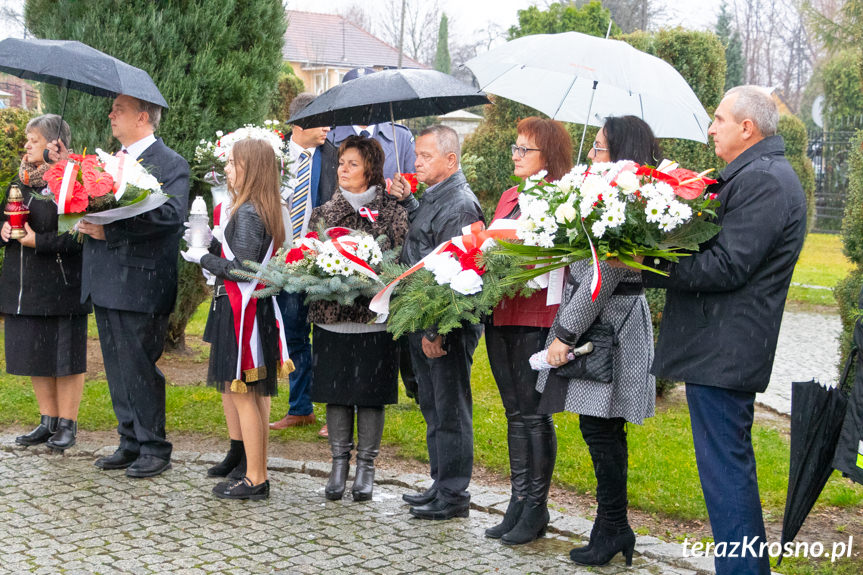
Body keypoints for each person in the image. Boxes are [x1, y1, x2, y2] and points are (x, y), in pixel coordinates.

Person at [638, 86, 806, 575]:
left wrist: (649, 262)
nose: (711, 129)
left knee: (727, 473)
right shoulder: (754, 174)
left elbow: (729, 265)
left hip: (725, 350)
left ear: (747, 128)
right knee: (723, 471)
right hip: (719, 347)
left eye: (718, 119)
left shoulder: (766, 181)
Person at [50, 94, 190, 478]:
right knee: (116, 367)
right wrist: (67, 173)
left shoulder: (170, 162)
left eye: (119, 110)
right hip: (105, 279)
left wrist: (110, 228)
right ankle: (129, 440)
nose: (110, 115)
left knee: (139, 366)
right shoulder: (108, 161)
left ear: (143, 117)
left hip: (141, 281)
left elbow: (170, 216)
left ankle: (154, 446)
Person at [542, 115, 659, 566]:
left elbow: (603, 275)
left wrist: (565, 334)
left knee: (603, 430)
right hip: (603, 321)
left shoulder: (629, 200)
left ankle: (613, 526)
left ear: (623, 152)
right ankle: (611, 525)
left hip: (611, 326)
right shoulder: (609, 193)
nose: (591, 154)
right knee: (601, 430)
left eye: (600, 147)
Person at [483, 117, 572, 545]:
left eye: (525, 150)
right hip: (502, 312)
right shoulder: (509, 197)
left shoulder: (564, 198)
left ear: (548, 157)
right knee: (514, 412)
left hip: (538, 317)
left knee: (535, 414)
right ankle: (518, 500)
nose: (515, 155)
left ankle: (536, 507)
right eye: (515, 147)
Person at [388, 125, 484, 520]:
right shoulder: (436, 196)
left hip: (443, 326)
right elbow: (429, 242)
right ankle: (440, 482)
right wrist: (410, 202)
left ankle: (454, 495)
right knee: (433, 406)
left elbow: (458, 275)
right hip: (421, 318)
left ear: (451, 160)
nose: (417, 162)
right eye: (417, 154)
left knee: (450, 410)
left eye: (426, 156)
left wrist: (436, 331)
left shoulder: (460, 204)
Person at [184, 138, 286, 500]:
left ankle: (255, 478)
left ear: (250, 168)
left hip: (241, 312)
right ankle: (256, 472)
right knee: (252, 395)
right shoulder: (263, 206)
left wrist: (202, 258)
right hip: (251, 312)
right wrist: (211, 244)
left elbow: (243, 271)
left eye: (231, 163)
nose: (226, 169)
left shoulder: (247, 212)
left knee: (245, 395)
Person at [308, 136, 408, 501]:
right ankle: (338, 464)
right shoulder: (322, 214)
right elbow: (307, 263)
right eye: (340, 163)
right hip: (331, 318)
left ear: (371, 169)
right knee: (336, 393)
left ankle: (366, 466)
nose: (342, 170)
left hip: (374, 321)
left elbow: (400, 264)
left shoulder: (393, 213)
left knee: (369, 394)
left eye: (352, 164)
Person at [317, 67, 419, 406]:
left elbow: (408, 186)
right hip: (338, 232)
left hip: (382, 237)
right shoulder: (333, 137)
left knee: (373, 382)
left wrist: (404, 193)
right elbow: (326, 185)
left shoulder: (399, 136)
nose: (344, 168)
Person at [1, 114, 89, 451]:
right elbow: (3, 219)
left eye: (33, 140)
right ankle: (47, 420)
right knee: (36, 353)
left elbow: (77, 237)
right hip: (24, 286)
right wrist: (4, 230)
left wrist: (39, 242)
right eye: (27, 139)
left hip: (62, 284)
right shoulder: (20, 180)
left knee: (65, 357)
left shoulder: (70, 182)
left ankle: (67, 424)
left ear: (53, 144)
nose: (26, 145)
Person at [269, 93, 330, 434]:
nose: (327, 126)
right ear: (298, 123)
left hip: (324, 262)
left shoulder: (336, 158)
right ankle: (300, 406)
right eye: (321, 119)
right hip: (281, 260)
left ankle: (333, 409)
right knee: (293, 332)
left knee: (326, 335)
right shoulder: (273, 155)